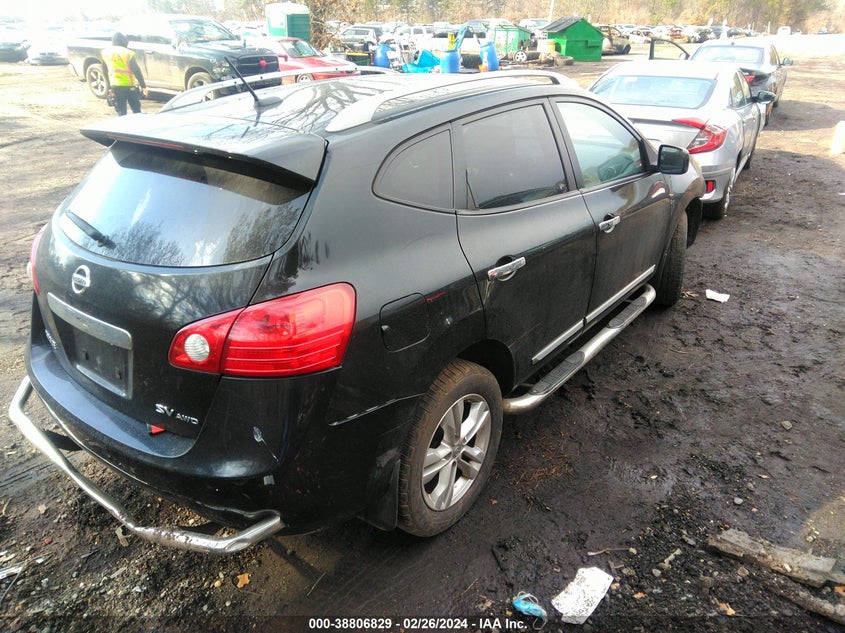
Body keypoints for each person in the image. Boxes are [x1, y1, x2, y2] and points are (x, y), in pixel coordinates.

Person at [101, 32, 148, 116]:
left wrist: (109, 87)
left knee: (121, 111)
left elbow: (104, 71)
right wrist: (143, 86)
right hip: (130, 86)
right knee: (136, 110)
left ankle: (122, 128)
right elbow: (136, 70)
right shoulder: (128, 53)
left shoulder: (105, 52)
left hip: (116, 86)